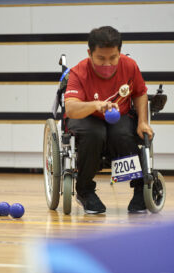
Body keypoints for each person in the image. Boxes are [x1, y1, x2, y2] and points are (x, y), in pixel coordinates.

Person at [64, 26, 153, 214]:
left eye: (113, 58)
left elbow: (140, 93)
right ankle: (85, 191)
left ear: (119, 52)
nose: (107, 64)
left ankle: (140, 189)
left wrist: (143, 122)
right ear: (90, 53)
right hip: (86, 116)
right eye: (101, 58)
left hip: (118, 116)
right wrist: (95, 105)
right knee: (95, 133)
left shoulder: (129, 66)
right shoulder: (79, 72)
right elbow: (71, 108)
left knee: (121, 134)